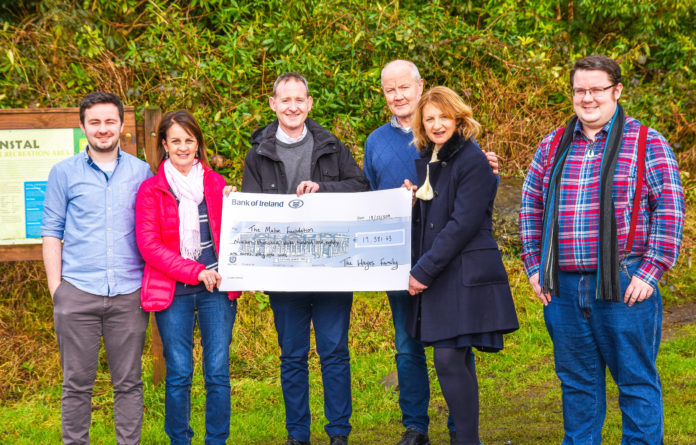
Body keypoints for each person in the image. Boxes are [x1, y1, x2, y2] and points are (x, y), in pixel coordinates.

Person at [519, 55, 685, 443]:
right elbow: (530, 205)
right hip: (561, 287)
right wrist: (533, 266)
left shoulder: (647, 142)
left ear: (617, 91)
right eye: (580, 90)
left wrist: (651, 270)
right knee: (577, 384)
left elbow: (670, 209)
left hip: (624, 282)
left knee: (635, 381)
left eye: (597, 89)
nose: (588, 98)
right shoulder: (552, 144)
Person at [363, 59, 499, 445]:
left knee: (453, 347)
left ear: (420, 87)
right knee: (409, 346)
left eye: (404, 87)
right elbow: (370, 197)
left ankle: (462, 430)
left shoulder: (457, 146)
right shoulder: (378, 143)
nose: (397, 95)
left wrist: (491, 176)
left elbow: (466, 204)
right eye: (389, 89)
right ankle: (416, 427)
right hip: (401, 259)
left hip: (445, 263)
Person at [242, 72, 369, 445]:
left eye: (300, 100)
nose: (293, 107)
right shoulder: (258, 153)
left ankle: (338, 434)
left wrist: (323, 189)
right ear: (273, 104)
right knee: (292, 357)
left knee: (334, 352)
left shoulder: (331, 145)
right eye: (285, 100)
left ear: (310, 103)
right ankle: (298, 435)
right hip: (284, 275)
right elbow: (252, 215)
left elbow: (360, 187)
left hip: (332, 269)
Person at [403, 86, 518, 445]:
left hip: (464, 274)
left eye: (444, 117)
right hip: (445, 272)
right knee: (455, 357)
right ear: (422, 124)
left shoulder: (472, 159)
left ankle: (466, 441)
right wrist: (410, 203)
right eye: (430, 118)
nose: (437, 124)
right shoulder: (432, 159)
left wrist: (422, 271)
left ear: (459, 118)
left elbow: (462, 224)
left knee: (449, 359)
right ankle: (467, 440)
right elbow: (435, 217)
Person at [41, 91, 152, 444]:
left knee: (129, 383)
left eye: (109, 122)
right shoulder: (63, 173)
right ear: (83, 126)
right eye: (95, 123)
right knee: (76, 385)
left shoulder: (142, 172)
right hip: (76, 293)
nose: (103, 129)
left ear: (121, 126)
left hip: (129, 293)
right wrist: (57, 290)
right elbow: (51, 232)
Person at [134, 110, 241, 444]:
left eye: (189, 140)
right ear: (164, 144)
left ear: (198, 144)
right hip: (173, 291)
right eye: (175, 140)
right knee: (179, 373)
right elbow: (149, 246)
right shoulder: (151, 190)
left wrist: (238, 205)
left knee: (218, 373)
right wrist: (196, 271)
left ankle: (216, 440)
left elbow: (236, 233)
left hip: (217, 291)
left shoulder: (218, 184)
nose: (182, 147)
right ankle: (180, 440)